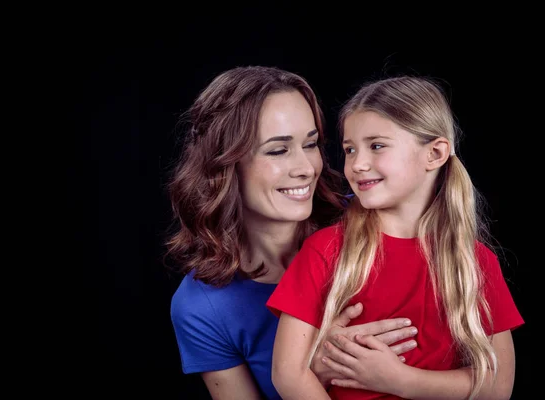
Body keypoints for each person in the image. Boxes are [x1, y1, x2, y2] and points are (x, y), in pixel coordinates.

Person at [165, 66, 419, 399]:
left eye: (310, 144)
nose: (305, 168)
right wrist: (310, 371)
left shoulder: (370, 219)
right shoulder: (201, 305)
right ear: (223, 165)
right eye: (278, 150)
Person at [267, 75, 525, 399]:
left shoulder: (474, 261)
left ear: (435, 154)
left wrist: (401, 380)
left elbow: (498, 386)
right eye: (349, 149)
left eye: (376, 146)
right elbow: (288, 374)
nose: (357, 164)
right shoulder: (325, 250)